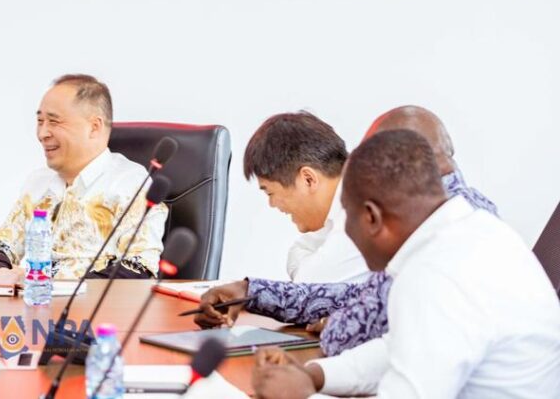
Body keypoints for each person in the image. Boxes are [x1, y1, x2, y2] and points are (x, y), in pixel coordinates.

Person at [251, 130, 560, 398]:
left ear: (371, 217)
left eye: (346, 218)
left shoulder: (437, 274)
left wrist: (300, 394)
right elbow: (401, 348)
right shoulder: (473, 231)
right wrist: (314, 375)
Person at [196, 107, 497, 356]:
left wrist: (337, 325)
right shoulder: (454, 214)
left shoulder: (447, 233)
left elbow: (358, 321)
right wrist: (250, 292)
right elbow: (364, 295)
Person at [0, 74, 167, 279]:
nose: (42, 133)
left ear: (94, 127)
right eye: (40, 121)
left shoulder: (131, 185)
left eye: (54, 121)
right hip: (36, 297)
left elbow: (138, 270)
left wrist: (47, 281)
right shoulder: (38, 184)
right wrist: (2, 275)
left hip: (94, 300)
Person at [244, 112, 366, 284]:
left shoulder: (361, 212)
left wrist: (310, 269)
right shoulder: (342, 206)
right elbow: (299, 249)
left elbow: (308, 283)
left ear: (308, 179)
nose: (271, 204)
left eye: (270, 193)